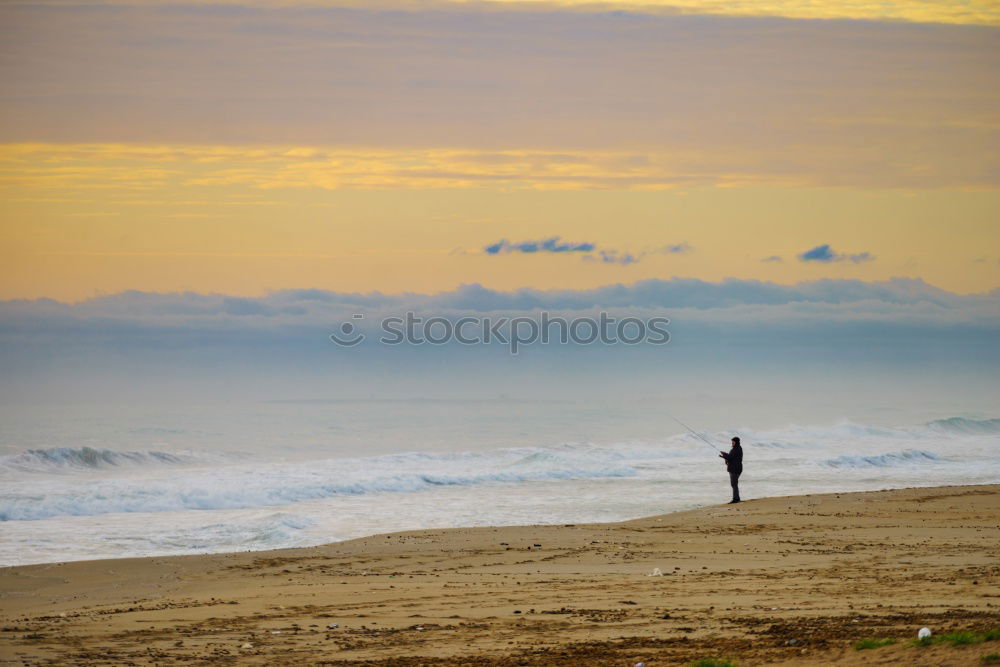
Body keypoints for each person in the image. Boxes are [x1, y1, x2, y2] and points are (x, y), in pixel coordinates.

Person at [719, 436, 743, 503]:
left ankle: (736, 499)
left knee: (734, 484)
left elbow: (729, 457)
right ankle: (737, 498)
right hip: (737, 468)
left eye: (733, 442)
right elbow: (731, 457)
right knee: (734, 484)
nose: (732, 443)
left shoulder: (735, 449)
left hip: (734, 469)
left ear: (736, 442)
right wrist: (724, 455)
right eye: (732, 442)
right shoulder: (738, 448)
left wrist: (724, 455)